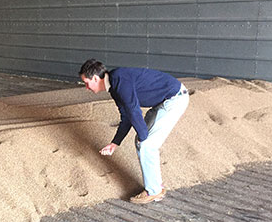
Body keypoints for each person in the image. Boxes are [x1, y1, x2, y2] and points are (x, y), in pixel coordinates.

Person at [79, 59, 189, 204]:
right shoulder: (114, 86)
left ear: (94, 78)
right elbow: (126, 117)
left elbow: (133, 110)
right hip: (163, 101)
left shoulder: (119, 78)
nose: (87, 87)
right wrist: (115, 143)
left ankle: (154, 191)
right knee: (142, 141)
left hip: (174, 99)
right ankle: (156, 186)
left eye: (86, 83)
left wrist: (144, 139)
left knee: (146, 144)